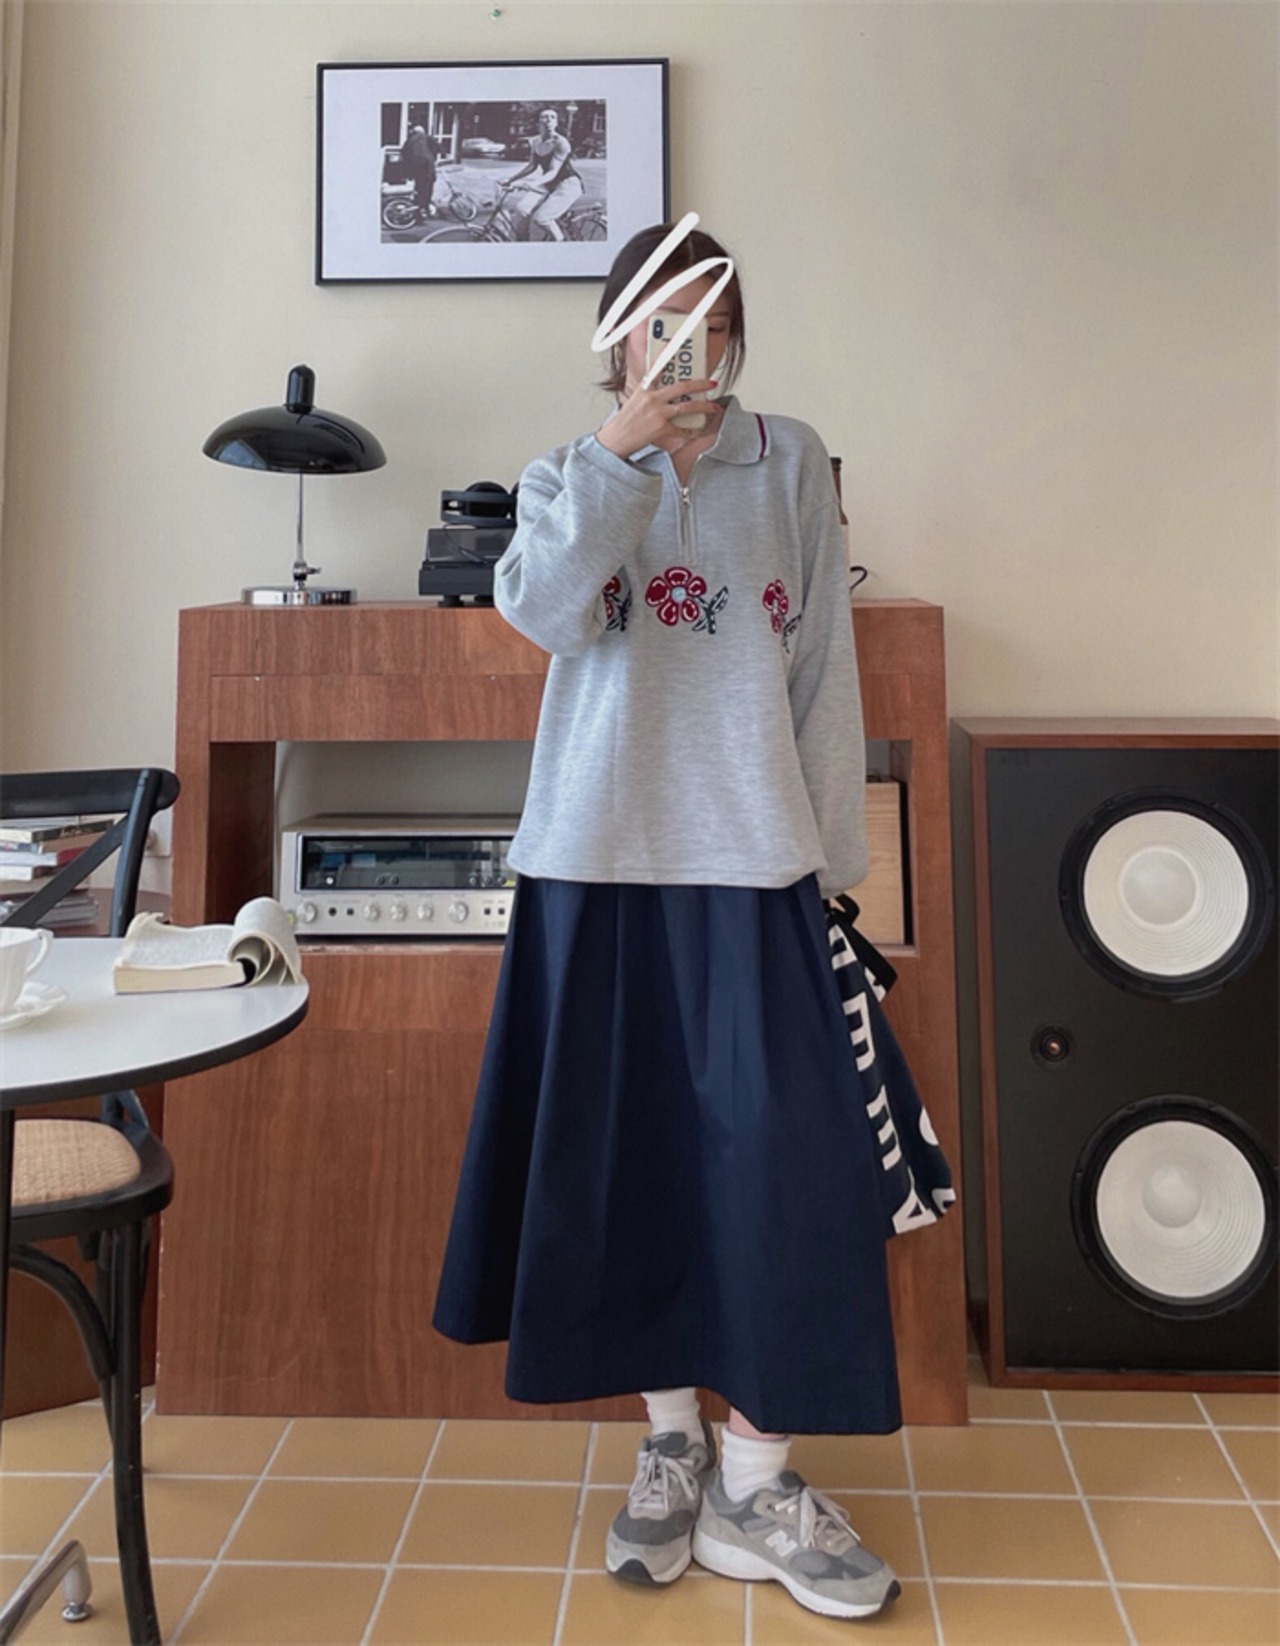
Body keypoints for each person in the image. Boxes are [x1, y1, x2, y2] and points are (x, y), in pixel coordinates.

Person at [432, 223, 904, 1622]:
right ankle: (672, 1446)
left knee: (785, 1172)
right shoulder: (565, 473)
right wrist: (621, 456)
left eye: (710, 319)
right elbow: (545, 615)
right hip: (595, 860)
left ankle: (757, 1481)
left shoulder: (791, 461)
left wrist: (831, 861)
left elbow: (822, 666)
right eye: (658, 321)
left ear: (737, 335)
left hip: (754, 860)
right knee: (624, 1158)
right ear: (615, 337)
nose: (686, 344)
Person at [500, 108, 584, 241]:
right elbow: (532, 166)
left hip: (567, 184)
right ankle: (522, 244)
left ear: (556, 123)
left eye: (553, 117)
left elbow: (553, 171)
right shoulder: (535, 141)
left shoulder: (561, 142)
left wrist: (532, 184)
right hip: (548, 184)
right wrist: (510, 180)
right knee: (521, 210)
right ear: (538, 123)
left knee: (542, 219)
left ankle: (561, 244)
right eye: (545, 117)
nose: (549, 120)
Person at [402, 123, 436, 219]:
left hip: (415, 167)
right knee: (428, 187)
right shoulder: (428, 138)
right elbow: (438, 148)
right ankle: (423, 208)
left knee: (419, 186)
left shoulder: (410, 140)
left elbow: (404, 152)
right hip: (427, 166)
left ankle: (418, 205)